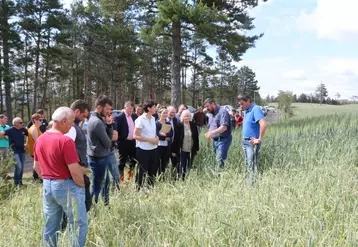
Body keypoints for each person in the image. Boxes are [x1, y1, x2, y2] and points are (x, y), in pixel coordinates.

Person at [33, 107, 88, 247]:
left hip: (48, 185)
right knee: (78, 224)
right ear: (63, 121)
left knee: (50, 225)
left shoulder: (40, 139)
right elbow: (75, 171)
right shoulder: (66, 141)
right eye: (71, 122)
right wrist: (82, 185)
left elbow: (36, 167)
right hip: (66, 186)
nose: (71, 126)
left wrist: (47, 178)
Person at [66, 100, 92, 212]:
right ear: (76, 111)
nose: (83, 118)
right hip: (75, 172)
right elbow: (66, 152)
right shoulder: (71, 128)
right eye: (83, 115)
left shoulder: (73, 126)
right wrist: (78, 170)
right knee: (81, 205)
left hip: (77, 171)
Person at [87, 95, 113, 205]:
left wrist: (108, 125)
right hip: (98, 159)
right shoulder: (97, 122)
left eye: (110, 109)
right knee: (97, 185)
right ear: (99, 107)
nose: (109, 112)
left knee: (105, 182)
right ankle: (92, 207)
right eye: (107, 109)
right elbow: (108, 143)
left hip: (99, 157)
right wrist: (110, 126)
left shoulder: (97, 120)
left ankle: (105, 205)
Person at [237, 94, 268, 184]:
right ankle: (250, 182)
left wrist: (259, 139)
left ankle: (252, 185)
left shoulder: (256, 109)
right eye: (240, 104)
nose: (241, 106)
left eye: (242, 104)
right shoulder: (246, 110)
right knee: (248, 164)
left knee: (252, 164)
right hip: (245, 142)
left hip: (252, 143)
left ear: (249, 101)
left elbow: (263, 124)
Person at [133, 101, 159, 189]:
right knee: (142, 171)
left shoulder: (153, 118)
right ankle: (138, 189)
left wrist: (156, 138)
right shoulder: (140, 120)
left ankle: (150, 188)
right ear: (149, 108)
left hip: (153, 148)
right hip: (143, 149)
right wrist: (149, 140)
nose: (156, 108)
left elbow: (151, 133)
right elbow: (135, 136)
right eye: (154, 107)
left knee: (153, 170)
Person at [204, 98, 232, 172]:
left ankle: (219, 178)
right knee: (217, 159)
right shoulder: (210, 114)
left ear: (213, 104)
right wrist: (208, 140)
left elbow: (224, 127)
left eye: (207, 106)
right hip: (215, 140)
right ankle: (219, 175)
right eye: (206, 107)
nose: (207, 109)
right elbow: (210, 127)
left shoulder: (223, 112)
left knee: (219, 160)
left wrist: (212, 133)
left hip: (223, 139)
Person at [0, 117, 28, 185]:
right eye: (21, 122)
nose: (22, 124)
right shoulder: (10, 130)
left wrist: (27, 143)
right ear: (16, 123)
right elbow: (1, 134)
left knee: (22, 167)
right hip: (14, 151)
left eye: (22, 122)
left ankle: (20, 182)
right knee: (19, 166)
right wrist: (5, 137)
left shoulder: (23, 129)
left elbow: (28, 135)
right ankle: (16, 182)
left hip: (22, 150)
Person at [173, 110, 199, 180]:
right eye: (185, 116)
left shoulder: (193, 125)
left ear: (190, 117)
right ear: (182, 117)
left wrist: (197, 149)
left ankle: (188, 179)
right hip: (182, 150)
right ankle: (181, 179)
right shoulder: (179, 125)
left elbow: (196, 138)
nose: (186, 117)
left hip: (191, 149)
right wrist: (174, 151)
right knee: (182, 166)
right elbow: (176, 139)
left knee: (189, 165)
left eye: (188, 116)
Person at [115, 101, 137, 183]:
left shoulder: (134, 116)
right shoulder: (119, 117)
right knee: (122, 161)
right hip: (123, 142)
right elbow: (116, 130)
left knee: (133, 161)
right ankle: (121, 179)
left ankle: (130, 177)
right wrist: (118, 142)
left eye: (132, 109)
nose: (131, 110)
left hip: (132, 142)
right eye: (129, 109)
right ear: (125, 108)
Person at [156, 107, 173, 176]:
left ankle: (163, 177)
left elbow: (171, 133)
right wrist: (164, 137)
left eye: (166, 113)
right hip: (158, 146)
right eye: (164, 113)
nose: (165, 114)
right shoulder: (156, 123)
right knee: (158, 163)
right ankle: (157, 176)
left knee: (165, 162)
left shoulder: (168, 123)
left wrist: (165, 134)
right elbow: (156, 134)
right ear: (159, 114)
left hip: (166, 146)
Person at [27, 113, 43, 180]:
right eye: (40, 120)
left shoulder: (35, 128)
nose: (41, 121)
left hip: (35, 150)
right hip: (36, 150)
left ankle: (36, 178)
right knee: (38, 165)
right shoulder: (34, 129)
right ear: (35, 120)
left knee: (37, 164)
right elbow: (37, 142)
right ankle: (37, 178)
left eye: (42, 119)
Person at [107, 109, 120, 189]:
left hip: (110, 152)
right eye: (108, 114)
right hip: (101, 154)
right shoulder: (100, 124)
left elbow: (115, 137)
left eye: (111, 114)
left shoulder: (114, 124)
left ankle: (116, 190)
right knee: (104, 177)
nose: (110, 116)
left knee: (116, 174)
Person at [167, 106, 179, 176]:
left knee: (175, 164)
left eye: (174, 112)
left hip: (173, 145)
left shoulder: (175, 120)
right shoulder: (163, 120)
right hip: (165, 145)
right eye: (171, 112)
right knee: (165, 163)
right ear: (167, 112)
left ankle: (174, 178)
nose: (173, 114)